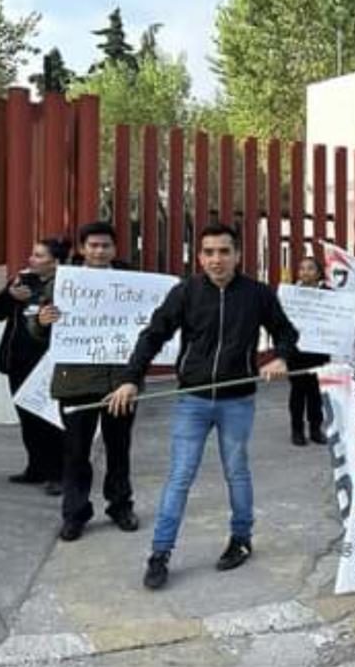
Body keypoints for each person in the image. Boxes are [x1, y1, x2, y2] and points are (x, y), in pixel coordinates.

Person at [105, 223, 298, 590]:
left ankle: (241, 539)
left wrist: (281, 356)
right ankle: (160, 553)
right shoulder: (186, 292)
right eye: (209, 252)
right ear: (199, 257)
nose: (216, 259)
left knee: (237, 472)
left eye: (224, 251)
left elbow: (287, 333)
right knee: (180, 476)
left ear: (238, 255)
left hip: (237, 399)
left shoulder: (257, 294)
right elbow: (153, 334)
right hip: (192, 400)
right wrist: (130, 377)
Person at [32, 221, 139, 541]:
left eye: (105, 245)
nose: (99, 251)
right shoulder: (62, 283)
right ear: (81, 249)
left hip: (119, 383)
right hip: (75, 383)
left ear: (115, 248)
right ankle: (75, 513)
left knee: (119, 448)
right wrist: (41, 322)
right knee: (76, 452)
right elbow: (37, 330)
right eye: (92, 245)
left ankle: (120, 505)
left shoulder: (132, 283)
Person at [0, 237, 71, 495]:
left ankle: (59, 473)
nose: (31, 259)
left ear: (55, 262)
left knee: (51, 419)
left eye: (39, 255)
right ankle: (36, 467)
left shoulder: (67, 286)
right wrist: (9, 296)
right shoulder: (21, 281)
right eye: (32, 254)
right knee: (27, 418)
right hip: (18, 361)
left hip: (49, 365)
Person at [287, 256, 331, 447]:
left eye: (310, 268)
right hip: (296, 351)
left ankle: (315, 429)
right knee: (298, 391)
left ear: (319, 272)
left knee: (315, 391)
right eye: (302, 268)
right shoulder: (291, 294)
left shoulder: (329, 294)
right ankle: (297, 431)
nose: (306, 272)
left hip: (319, 351)